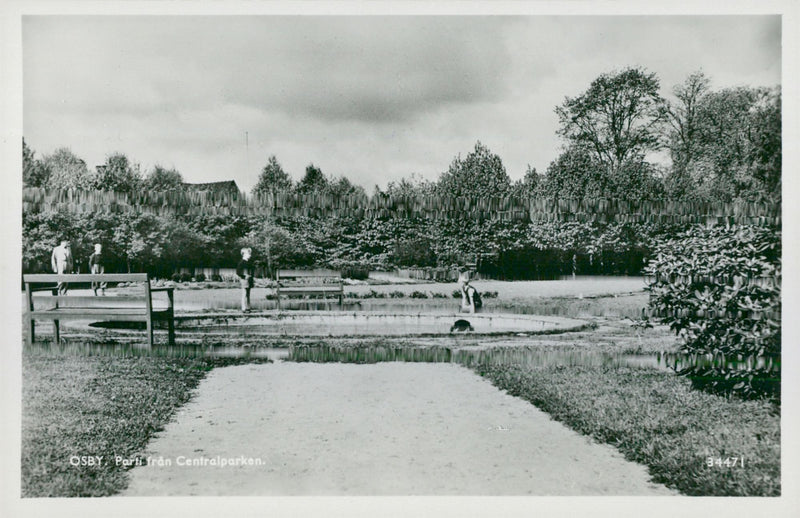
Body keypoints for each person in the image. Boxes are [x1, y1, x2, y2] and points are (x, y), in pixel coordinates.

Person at [236, 247, 255, 312]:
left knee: (248, 294)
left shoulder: (249, 262)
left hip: (249, 279)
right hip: (244, 280)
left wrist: (251, 276)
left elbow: (252, 270)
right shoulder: (241, 262)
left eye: (250, 254)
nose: (250, 255)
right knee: (244, 293)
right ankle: (243, 307)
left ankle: (248, 307)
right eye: (248, 254)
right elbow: (238, 272)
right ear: (244, 254)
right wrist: (243, 276)